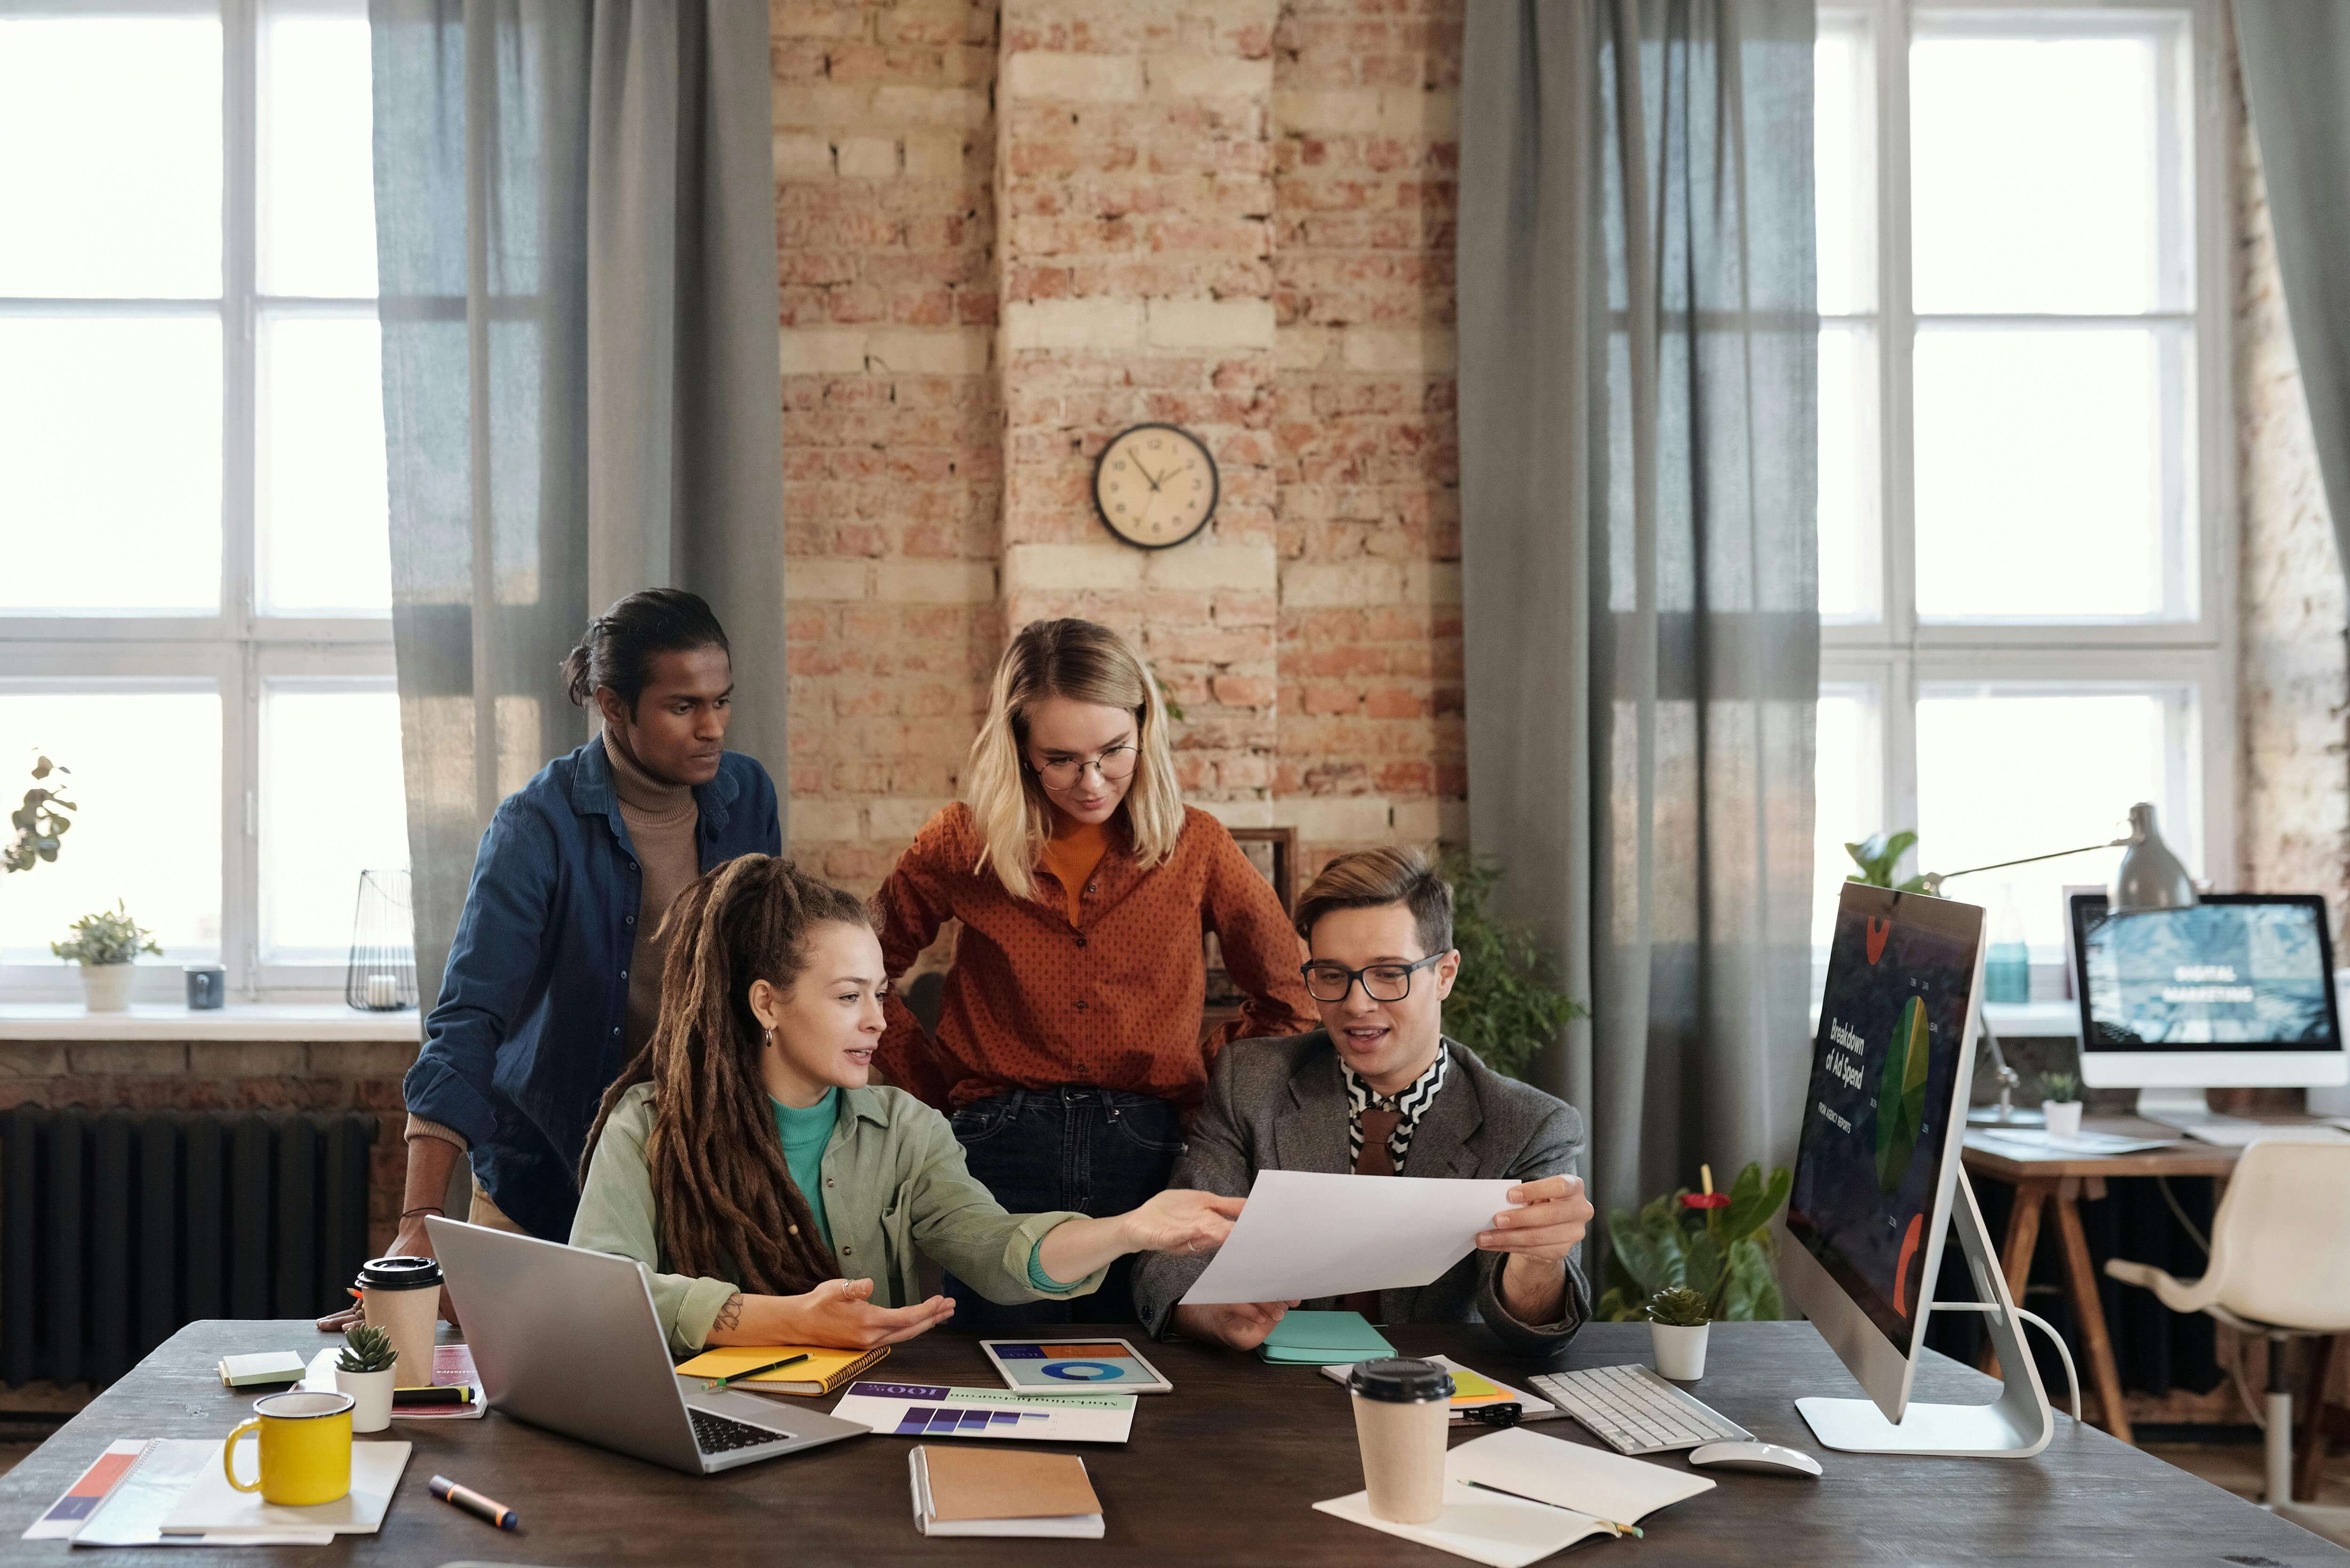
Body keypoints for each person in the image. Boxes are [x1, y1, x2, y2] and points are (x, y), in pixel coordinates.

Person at [320, 591, 778, 1334]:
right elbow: (469, 1019)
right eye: (684, 706)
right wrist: (419, 1222)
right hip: (546, 1180)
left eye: (722, 701)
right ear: (612, 705)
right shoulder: (536, 824)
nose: (714, 727)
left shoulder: (747, 794)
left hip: (697, 1181)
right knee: (516, 1423)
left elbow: (768, 981)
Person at [570, 856, 1245, 1353]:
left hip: (867, 1429)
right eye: (847, 996)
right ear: (767, 1002)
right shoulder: (649, 1125)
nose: (878, 1021)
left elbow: (996, 1249)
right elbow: (600, 1294)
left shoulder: (908, 1130)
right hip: (704, 1426)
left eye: (880, 992)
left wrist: (1130, 1229)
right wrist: (783, 1320)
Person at [871, 618, 1317, 1329]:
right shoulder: (962, 843)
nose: (1092, 780)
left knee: (1143, 1368)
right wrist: (930, 1093)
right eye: (1061, 758)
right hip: (992, 1148)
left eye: (1114, 751)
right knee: (993, 1365)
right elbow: (865, 974)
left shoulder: (1195, 845)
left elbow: (1292, 998)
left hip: (1143, 1148)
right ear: (1019, 746)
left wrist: (1198, 1068)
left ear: (1145, 726)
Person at [1132, 846, 1595, 1357]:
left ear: (1444, 974)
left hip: (1435, 1398)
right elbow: (1170, 1255)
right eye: (1331, 975)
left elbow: (1530, 1329)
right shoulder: (1250, 1080)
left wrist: (1541, 1260)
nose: (1356, 1003)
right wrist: (1208, 1312)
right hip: (1275, 1396)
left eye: (1388, 973)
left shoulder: (1530, 1123)